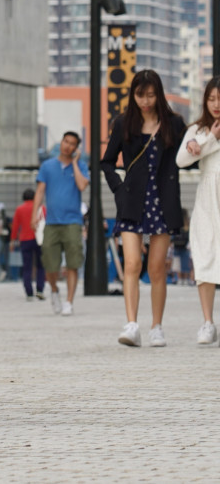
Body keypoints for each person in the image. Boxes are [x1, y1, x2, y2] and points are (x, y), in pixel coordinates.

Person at [102, 69, 185, 347]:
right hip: (132, 202)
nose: (146, 101)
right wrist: (119, 188)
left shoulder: (174, 124)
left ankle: (157, 327)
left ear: (158, 94)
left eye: (150, 95)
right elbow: (107, 161)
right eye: (140, 95)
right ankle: (132, 325)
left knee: (157, 268)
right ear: (133, 95)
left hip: (163, 201)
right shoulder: (123, 123)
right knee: (132, 264)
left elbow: (187, 157)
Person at [176, 75, 220, 345]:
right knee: (204, 256)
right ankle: (208, 322)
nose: (216, 104)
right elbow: (181, 160)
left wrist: (202, 148)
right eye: (211, 99)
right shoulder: (197, 129)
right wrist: (209, 139)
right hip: (207, 198)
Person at [31, 131, 89, 316]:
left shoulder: (81, 166)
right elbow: (40, 191)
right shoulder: (47, 166)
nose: (67, 146)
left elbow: (82, 185)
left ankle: (69, 302)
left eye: (72, 144)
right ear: (61, 142)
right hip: (52, 222)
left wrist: (75, 163)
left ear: (76, 148)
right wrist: (34, 214)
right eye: (66, 141)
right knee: (50, 264)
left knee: (73, 263)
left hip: (73, 222)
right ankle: (54, 291)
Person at [11, 188, 45, 301]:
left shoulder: (19, 209)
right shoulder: (41, 208)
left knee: (27, 267)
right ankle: (40, 289)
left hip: (25, 240)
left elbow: (15, 226)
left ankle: (29, 292)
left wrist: (12, 241)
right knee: (41, 266)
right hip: (39, 239)